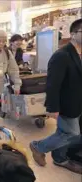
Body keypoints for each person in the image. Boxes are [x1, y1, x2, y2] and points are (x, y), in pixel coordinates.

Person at [30, 19, 82, 174]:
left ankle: (60, 157)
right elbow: (53, 84)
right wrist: (52, 107)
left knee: (67, 132)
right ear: (73, 34)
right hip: (67, 103)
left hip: (78, 101)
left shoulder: (79, 53)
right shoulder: (62, 55)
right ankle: (38, 146)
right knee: (71, 133)